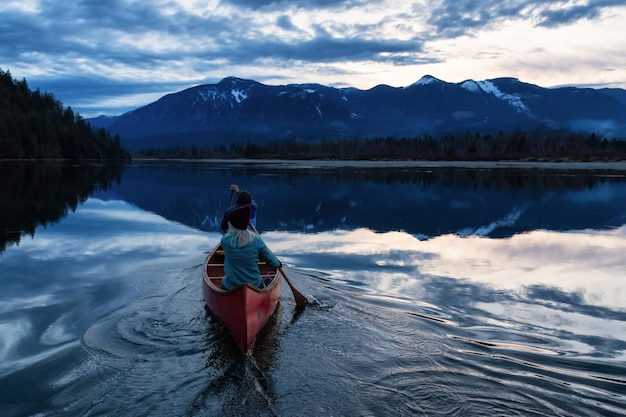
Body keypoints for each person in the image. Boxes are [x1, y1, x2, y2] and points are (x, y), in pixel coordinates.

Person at [220, 205, 282, 291]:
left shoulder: (225, 241)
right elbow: (273, 262)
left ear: (231, 224)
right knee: (267, 281)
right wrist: (279, 264)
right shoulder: (256, 240)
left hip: (230, 285)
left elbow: (230, 236)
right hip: (254, 285)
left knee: (223, 282)